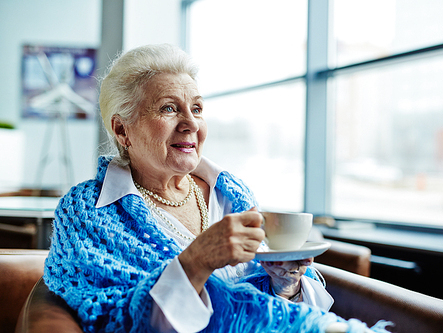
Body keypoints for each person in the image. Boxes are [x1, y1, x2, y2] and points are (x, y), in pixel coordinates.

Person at [43, 43, 391, 333]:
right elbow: (118, 322)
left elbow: (282, 309)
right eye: (169, 108)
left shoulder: (231, 191)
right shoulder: (87, 211)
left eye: (197, 108)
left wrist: (287, 286)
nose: (190, 123)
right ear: (122, 131)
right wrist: (197, 261)